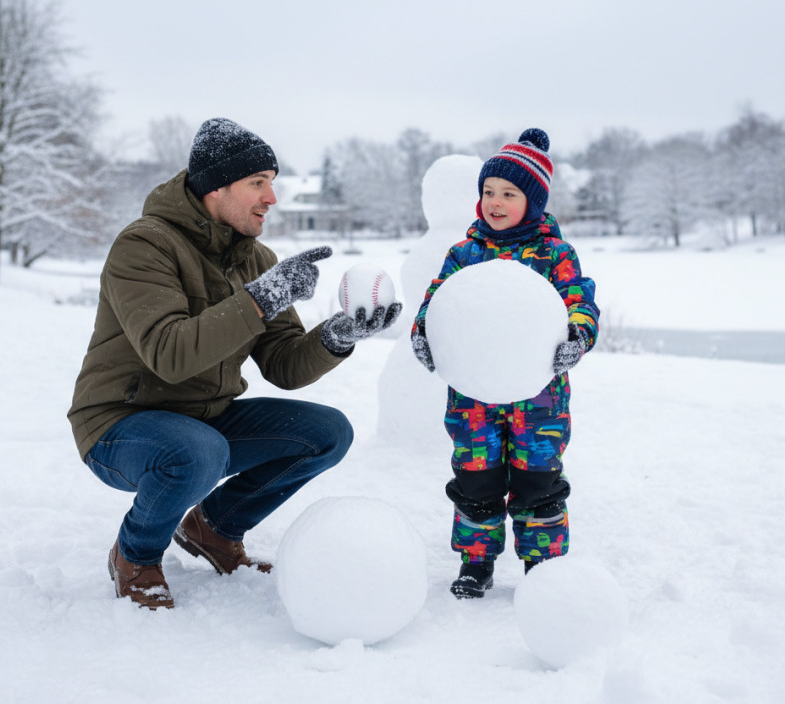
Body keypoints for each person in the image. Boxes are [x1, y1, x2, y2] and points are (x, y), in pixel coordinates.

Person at [68, 117, 401, 609]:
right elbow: (170, 353)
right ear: (215, 188)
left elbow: (285, 366)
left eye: (272, 183)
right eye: (257, 183)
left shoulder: (256, 258)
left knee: (328, 432)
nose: (271, 198)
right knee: (198, 452)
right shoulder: (144, 244)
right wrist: (261, 299)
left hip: (205, 420)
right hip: (121, 423)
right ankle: (134, 555)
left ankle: (215, 528)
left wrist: (337, 335)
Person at [410, 129, 599, 599]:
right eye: (488, 192)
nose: (495, 202)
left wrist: (577, 336)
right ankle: (476, 561)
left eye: (508, 194)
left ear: (532, 201)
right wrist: (423, 333)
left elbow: (581, 303)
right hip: (472, 399)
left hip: (539, 402)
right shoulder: (465, 253)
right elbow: (437, 303)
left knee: (539, 482)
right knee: (477, 480)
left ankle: (543, 566)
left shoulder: (554, 255)